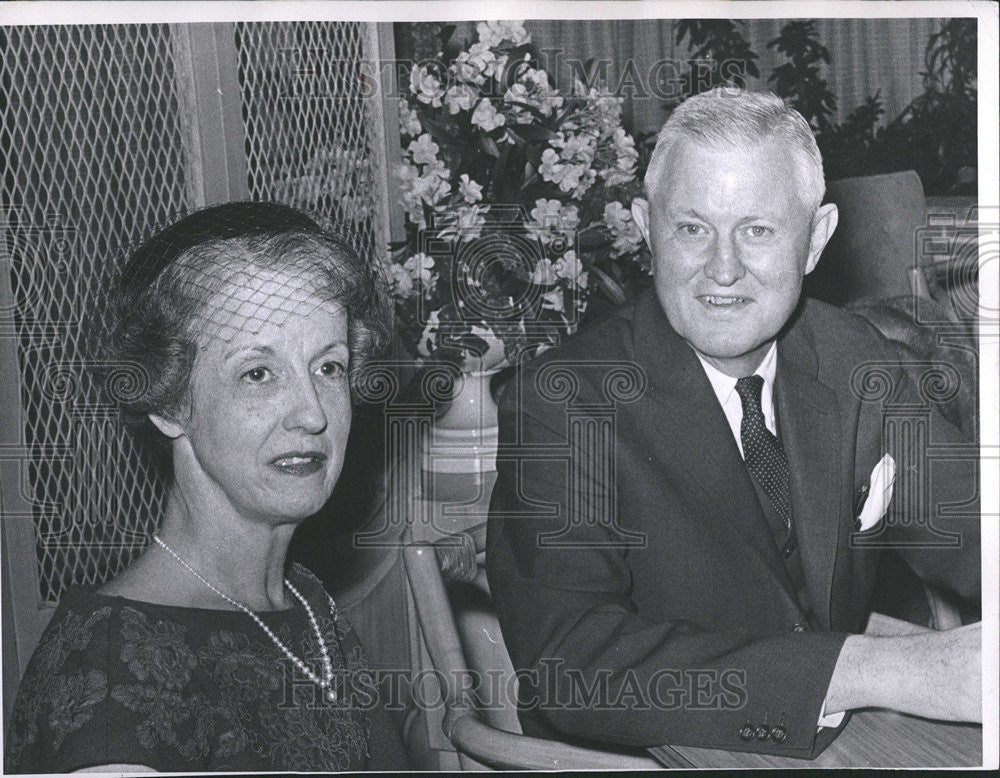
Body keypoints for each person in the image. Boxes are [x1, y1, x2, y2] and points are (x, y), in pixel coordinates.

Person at [486, 89, 981, 758]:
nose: (723, 268)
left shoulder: (854, 359)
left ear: (816, 240)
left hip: (828, 743)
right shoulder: (561, 401)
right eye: (692, 228)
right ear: (645, 229)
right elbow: (573, 668)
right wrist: (881, 669)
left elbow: (975, 525)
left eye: (757, 229)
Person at [4, 202, 409, 772]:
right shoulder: (116, 671)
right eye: (257, 374)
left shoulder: (304, 603)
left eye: (329, 367)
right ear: (168, 401)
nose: (312, 415)